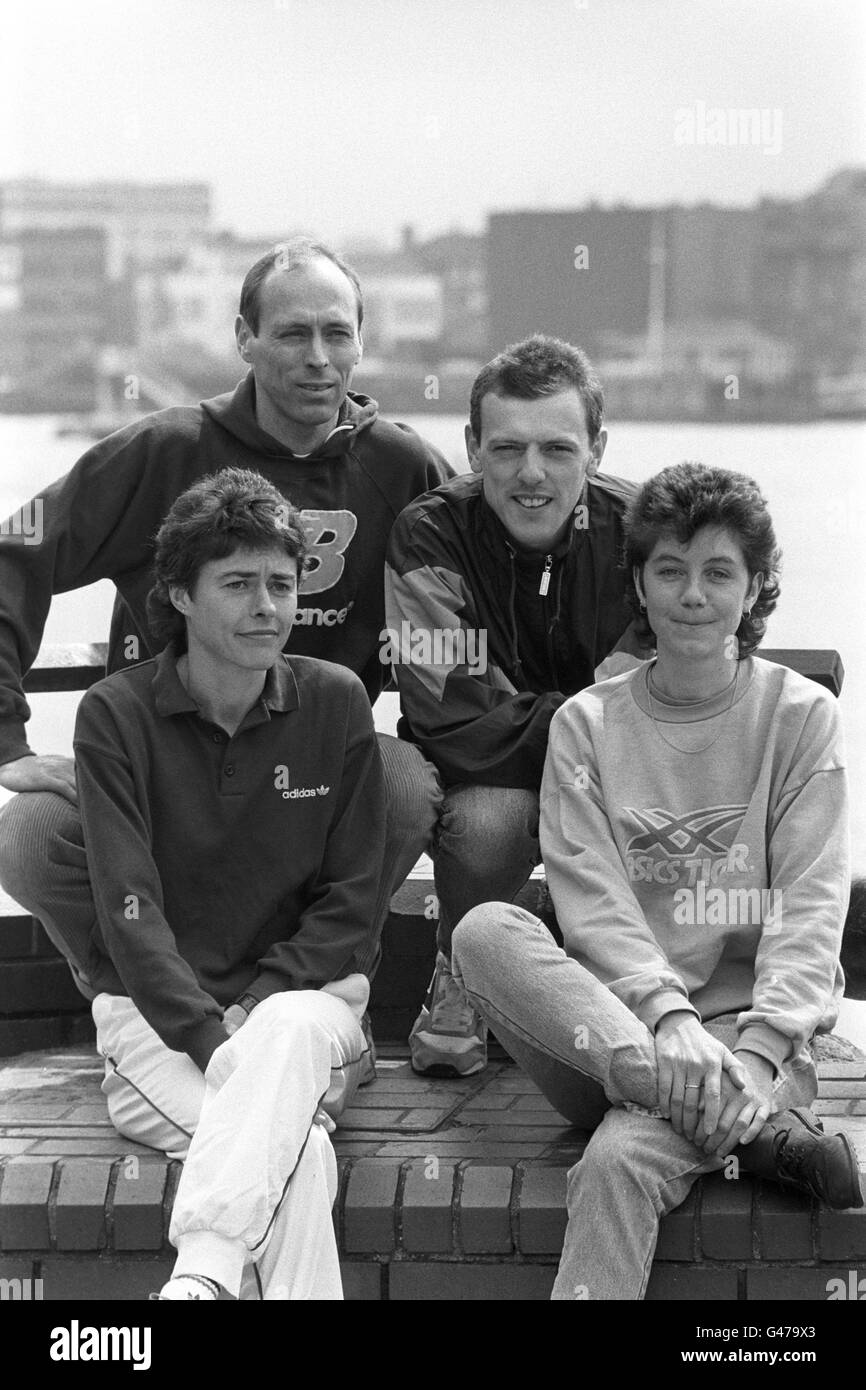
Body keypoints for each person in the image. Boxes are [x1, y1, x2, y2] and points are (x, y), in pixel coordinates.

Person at [0, 237, 450, 1065]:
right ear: (243, 338)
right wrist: (7, 736)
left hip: (308, 780)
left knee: (403, 783)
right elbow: (17, 554)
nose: (318, 359)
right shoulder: (163, 451)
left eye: (336, 333)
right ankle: (134, 998)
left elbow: (469, 605)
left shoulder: (403, 465)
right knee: (27, 835)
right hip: (162, 777)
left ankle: (321, 987)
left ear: (360, 338)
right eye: (290, 335)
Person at [451, 461, 862, 1300]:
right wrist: (667, 1020)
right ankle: (750, 1133)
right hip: (610, 1036)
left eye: (719, 572)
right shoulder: (589, 723)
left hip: (758, 1045)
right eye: (669, 570)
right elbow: (592, 899)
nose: (692, 595)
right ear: (638, 583)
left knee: (617, 1162)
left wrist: (752, 1056)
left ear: (756, 589)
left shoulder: (798, 718)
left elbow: (812, 904)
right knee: (483, 932)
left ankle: (733, 1109)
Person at [74, 468, 383, 1300]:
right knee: (300, 1152)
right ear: (177, 593)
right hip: (158, 1027)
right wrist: (218, 1042)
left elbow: (352, 900)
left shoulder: (336, 701)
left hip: (309, 1012)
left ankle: (203, 1275)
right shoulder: (115, 715)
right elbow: (130, 914)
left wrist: (260, 1010)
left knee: (286, 1027)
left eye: (281, 585)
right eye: (238, 584)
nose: (267, 607)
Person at [384, 334, 648, 1075]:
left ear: (597, 447)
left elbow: (654, 706)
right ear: (471, 447)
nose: (531, 475)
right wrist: (590, 716)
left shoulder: (644, 533)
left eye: (558, 449)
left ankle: (638, 989)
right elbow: (453, 718)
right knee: (491, 819)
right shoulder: (429, 534)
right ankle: (461, 974)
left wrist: (589, 724)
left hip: (614, 788)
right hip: (489, 783)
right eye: (506, 449)